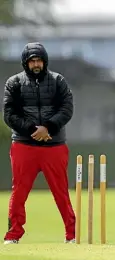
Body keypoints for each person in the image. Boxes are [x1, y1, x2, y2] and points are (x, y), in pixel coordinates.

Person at [2, 42, 76, 244]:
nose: (36, 64)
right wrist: (32, 130)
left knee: (61, 192)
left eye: (39, 60)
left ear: (45, 61)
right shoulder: (14, 83)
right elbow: (9, 115)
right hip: (24, 145)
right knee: (19, 192)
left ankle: (71, 235)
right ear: (26, 63)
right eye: (32, 61)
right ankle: (13, 235)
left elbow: (67, 109)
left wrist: (49, 128)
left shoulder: (58, 81)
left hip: (54, 145)